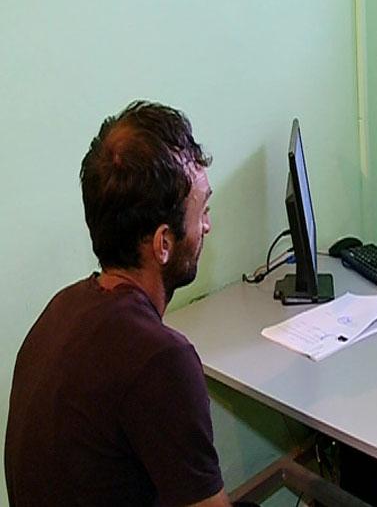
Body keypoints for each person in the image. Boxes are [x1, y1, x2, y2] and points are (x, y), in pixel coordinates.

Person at [5, 101, 231, 506]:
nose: (207, 226)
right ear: (164, 243)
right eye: (202, 212)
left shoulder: (60, 310)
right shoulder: (161, 361)